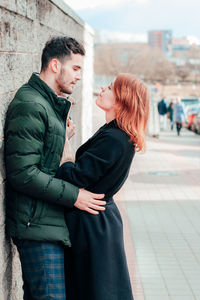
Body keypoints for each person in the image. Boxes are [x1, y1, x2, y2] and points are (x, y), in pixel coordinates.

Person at [4, 36, 105, 300]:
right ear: (55, 65)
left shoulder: (47, 103)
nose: (79, 77)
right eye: (75, 68)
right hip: (36, 225)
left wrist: (63, 140)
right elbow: (23, 174)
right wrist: (76, 196)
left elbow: (42, 158)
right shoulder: (31, 104)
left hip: (47, 222)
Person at [56, 73, 150, 300]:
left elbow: (73, 176)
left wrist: (62, 144)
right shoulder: (114, 133)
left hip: (92, 224)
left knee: (93, 289)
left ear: (122, 99)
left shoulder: (115, 138)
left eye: (109, 88)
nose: (102, 90)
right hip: (97, 221)